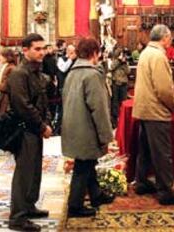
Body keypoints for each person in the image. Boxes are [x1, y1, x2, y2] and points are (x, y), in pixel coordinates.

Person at [132, 24, 174, 206]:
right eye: (169, 37)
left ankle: (141, 182)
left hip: (145, 109)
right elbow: (163, 89)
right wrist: (173, 104)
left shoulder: (146, 52)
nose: (170, 41)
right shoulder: (158, 56)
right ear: (164, 37)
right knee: (162, 153)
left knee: (146, 150)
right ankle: (165, 192)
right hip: (156, 111)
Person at [62, 37, 115, 218]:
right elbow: (98, 109)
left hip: (73, 126)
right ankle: (75, 205)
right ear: (95, 53)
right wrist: (107, 136)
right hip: (86, 128)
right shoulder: (92, 75)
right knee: (83, 166)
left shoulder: (72, 72)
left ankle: (96, 195)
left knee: (88, 162)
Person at [7, 34, 52, 232]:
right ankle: (17, 216)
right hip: (25, 129)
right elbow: (22, 105)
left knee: (34, 170)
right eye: (37, 49)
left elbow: (42, 99)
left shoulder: (35, 71)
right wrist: (42, 126)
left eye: (43, 48)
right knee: (24, 173)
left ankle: (29, 206)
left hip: (35, 129)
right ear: (25, 50)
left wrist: (47, 121)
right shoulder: (19, 73)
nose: (42, 52)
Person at [55, 44, 77, 134]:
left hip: (74, 87)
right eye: (71, 52)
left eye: (74, 52)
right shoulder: (61, 59)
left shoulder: (76, 61)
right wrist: (70, 59)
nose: (73, 54)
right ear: (67, 52)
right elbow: (63, 69)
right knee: (63, 109)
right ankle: (58, 129)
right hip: (63, 87)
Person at [110, 47, 130, 128]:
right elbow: (111, 67)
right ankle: (114, 121)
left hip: (123, 84)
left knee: (123, 103)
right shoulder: (114, 61)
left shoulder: (125, 63)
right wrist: (118, 61)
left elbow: (128, 71)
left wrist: (124, 63)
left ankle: (124, 120)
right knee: (115, 103)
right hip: (116, 83)